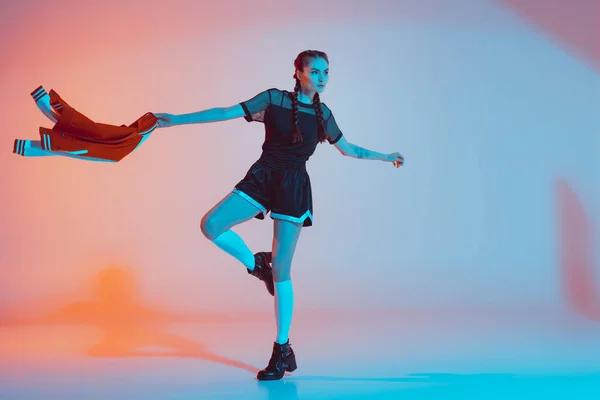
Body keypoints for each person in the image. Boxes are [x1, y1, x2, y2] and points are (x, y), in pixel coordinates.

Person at [153, 50, 404, 380]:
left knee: (283, 271)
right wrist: (178, 119)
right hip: (264, 175)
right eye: (315, 71)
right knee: (211, 225)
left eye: (326, 72)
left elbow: (349, 149)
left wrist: (386, 156)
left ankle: (282, 350)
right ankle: (257, 265)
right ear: (298, 72)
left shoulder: (323, 114)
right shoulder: (273, 99)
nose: (322, 77)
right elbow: (226, 112)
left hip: (294, 186)